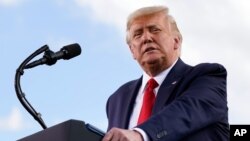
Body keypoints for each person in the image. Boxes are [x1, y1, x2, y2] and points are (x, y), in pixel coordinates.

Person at [102, 5, 229, 141]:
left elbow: (185, 112)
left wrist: (141, 134)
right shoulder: (117, 99)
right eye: (138, 34)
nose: (146, 38)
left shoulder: (207, 77)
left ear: (176, 41)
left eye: (155, 30)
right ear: (132, 50)